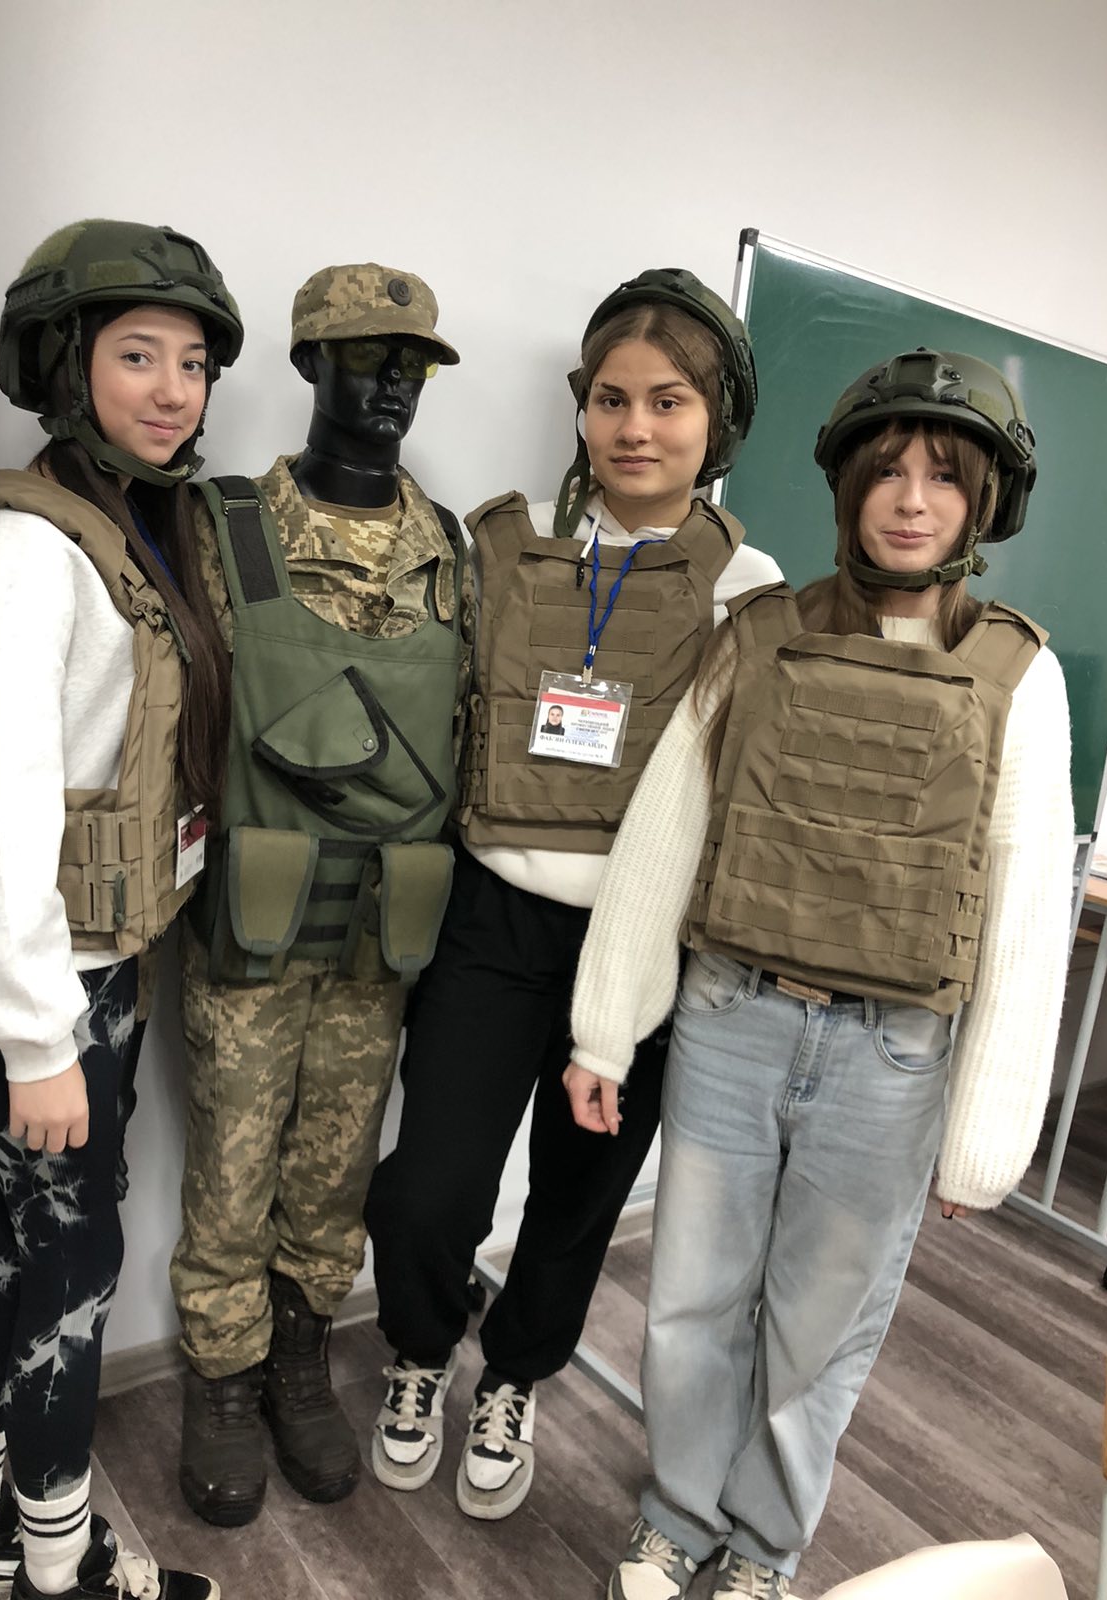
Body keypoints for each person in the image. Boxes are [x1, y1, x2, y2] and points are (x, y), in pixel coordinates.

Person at [564, 348, 1073, 1598]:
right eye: (887, 470)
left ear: (983, 504)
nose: (912, 500)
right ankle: (677, 1513)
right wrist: (604, 1029)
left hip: (890, 1054)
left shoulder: (1019, 672)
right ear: (848, 485)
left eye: (943, 477)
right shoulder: (760, 634)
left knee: (821, 1329)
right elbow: (669, 829)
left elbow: (1021, 904)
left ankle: (764, 1546)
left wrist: (987, 1134)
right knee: (691, 1299)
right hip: (732, 1017)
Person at [364, 268, 782, 1520]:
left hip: (641, 947)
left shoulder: (748, 585)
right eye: (610, 399)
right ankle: (421, 1350)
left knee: (577, 1198)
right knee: (429, 1190)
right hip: (493, 916)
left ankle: (515, 1376)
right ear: (581, 407)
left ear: (715, 420)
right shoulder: (508, 549)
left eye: (667, 402)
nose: (634, 427)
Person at [0, 219, 242, 1600]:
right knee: (77, 1265)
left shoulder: (135, 530)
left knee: (19, 1242)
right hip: (39, 987)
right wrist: (34, 1036)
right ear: (66, 364)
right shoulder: (30, 548)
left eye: (192, 364)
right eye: (136, 356)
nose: (173, 391)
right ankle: (62, 1566)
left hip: (88, 970)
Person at [170, 264, 473, 1526]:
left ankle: (302, 1356)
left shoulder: (452, 549)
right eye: (366, 357)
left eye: (413, 364)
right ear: (308, 363)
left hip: (379, 929)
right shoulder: (223, 523)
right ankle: (221, 1379)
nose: (395, 384)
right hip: (251, 919)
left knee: (337, 1167)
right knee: (231, 1162)